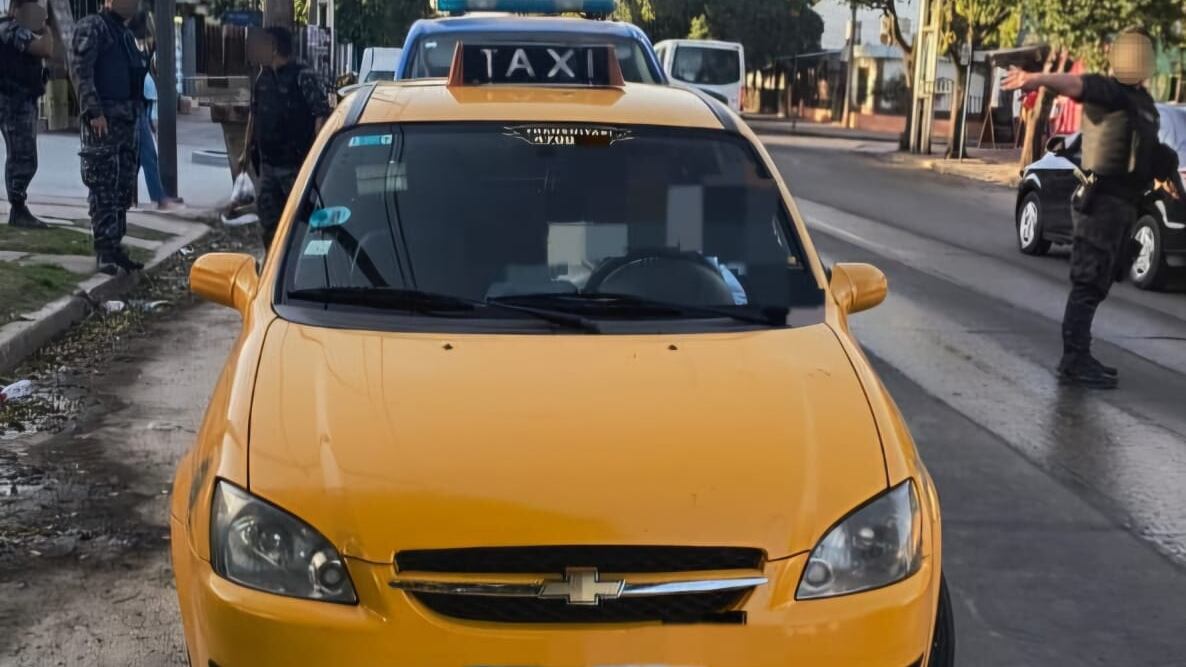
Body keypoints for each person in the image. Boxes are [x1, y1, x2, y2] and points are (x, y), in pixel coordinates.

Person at [1003, 28, 1182, 389]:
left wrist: (1171, 180)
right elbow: (1074, 84)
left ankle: (1081, 355)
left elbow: (1153, 152)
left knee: (1100, 282)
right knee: (1087, 283)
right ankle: (1073, 361)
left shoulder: (1141, 102)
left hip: (1124, 206)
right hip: (1100, 204)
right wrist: (1034, 78)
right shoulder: (1109, 91)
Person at [70, 0, 147, 274]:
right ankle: (104, 249)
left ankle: (115, 246)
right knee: (103, 185)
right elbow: (81, 70)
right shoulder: (93, 27)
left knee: (124, 185)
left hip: (127, 119)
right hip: (104, 120)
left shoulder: (123, 33)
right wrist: (93, 111)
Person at [243, 26, 331, 251]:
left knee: (301, 222)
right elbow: (254, 114)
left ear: (273, 48)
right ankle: (274, 267)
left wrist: (315, 154)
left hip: (295, 166)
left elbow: (320, 113)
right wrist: (245, 151)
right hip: (268, 166)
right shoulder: (262, 79)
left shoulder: (302, 75)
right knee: (269, 223)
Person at [0, 0, 54, 229]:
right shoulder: (11, 29)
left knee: (23, 155)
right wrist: (46, 28)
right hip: (13, 102)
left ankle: (18, 207)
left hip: (20, 100)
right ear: (17, 10)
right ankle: (18, 208)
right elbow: (45, 49)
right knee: (23, 156)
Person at [128, 10, 181, 211]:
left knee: (140, 156)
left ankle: (137, 196)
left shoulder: (138, 48)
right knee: (146, 154)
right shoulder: (137, 47)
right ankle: (158, 197)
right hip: (136, 106)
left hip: (136, 106)